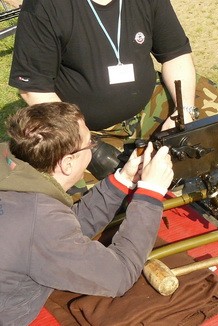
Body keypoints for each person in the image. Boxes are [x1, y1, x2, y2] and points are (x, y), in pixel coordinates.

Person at [0, 102, 174, 325]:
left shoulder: (9, 165)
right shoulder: (41, 222)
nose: (93, 146)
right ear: (67, 163)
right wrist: (151, 193)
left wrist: (121, 181)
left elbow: (55, 232)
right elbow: (119, 275)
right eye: (90, 142)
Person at [9, 0, 197, 134]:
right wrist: (79, 136)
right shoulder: (43, 6)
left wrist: (185, 111)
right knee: (73, 187)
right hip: (78, 127)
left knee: (214, 123)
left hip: (146, 107)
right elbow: (34, 89)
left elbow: (176, 55)